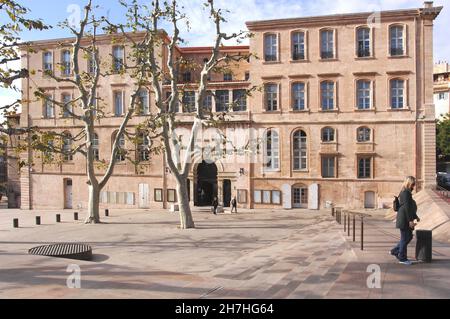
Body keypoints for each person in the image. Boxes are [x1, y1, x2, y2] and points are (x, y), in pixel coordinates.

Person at [390, 176, 420, 265]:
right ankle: (402, 258)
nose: (414, 186)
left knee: (408, 237)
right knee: (405, 238)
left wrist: (415, 216)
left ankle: (395, 251)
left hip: (404, 218)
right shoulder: (406, 192)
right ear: (409, 183)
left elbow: (409, 207)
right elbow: (407, 208)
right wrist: (410, 221)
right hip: (404, 219)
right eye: (413, 184)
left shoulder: (405, 192)